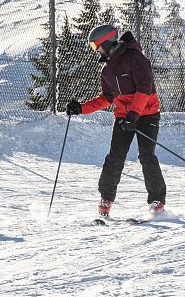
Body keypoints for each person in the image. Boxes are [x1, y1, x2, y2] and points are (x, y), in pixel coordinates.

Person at [66, 25, 166, 219]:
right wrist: (81, 108)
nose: (97, 51)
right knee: (115, 156)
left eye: (97, 46)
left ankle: (157, 200)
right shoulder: (107, 69)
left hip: (147, 113)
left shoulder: (137, 59)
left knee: (146, 155)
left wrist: (134, 115)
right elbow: (106, 97)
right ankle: (106, 198)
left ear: (108, 42)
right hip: (124, 116)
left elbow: (145, 88)